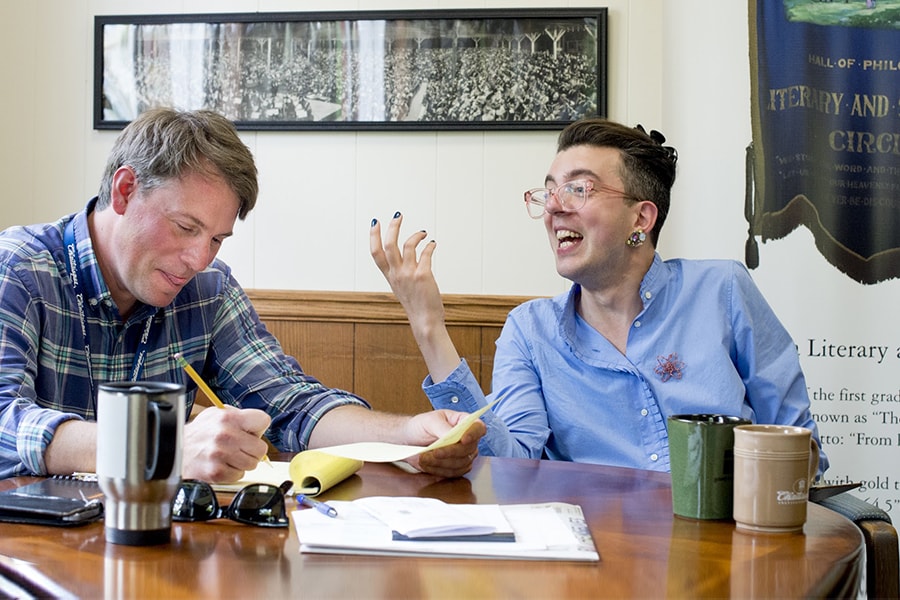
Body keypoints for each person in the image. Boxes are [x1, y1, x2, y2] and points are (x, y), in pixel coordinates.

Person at [0, 108, 484, 482]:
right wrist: (162, 445)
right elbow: (4, 423)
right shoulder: (19, 269)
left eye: (215, 239)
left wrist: (406, 437)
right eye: (185, 227)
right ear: (125, 191)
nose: (198, 259)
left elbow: (289, 402)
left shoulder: (208, 291)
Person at [370, 117, 828, 475]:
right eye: (549, 191)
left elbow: (799, 446)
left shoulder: (723, 291)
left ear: (641, 218)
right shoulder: (531, 331)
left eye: (578, 188)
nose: (553, 206)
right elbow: (506, 466)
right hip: (592, 561)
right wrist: (429, 328)